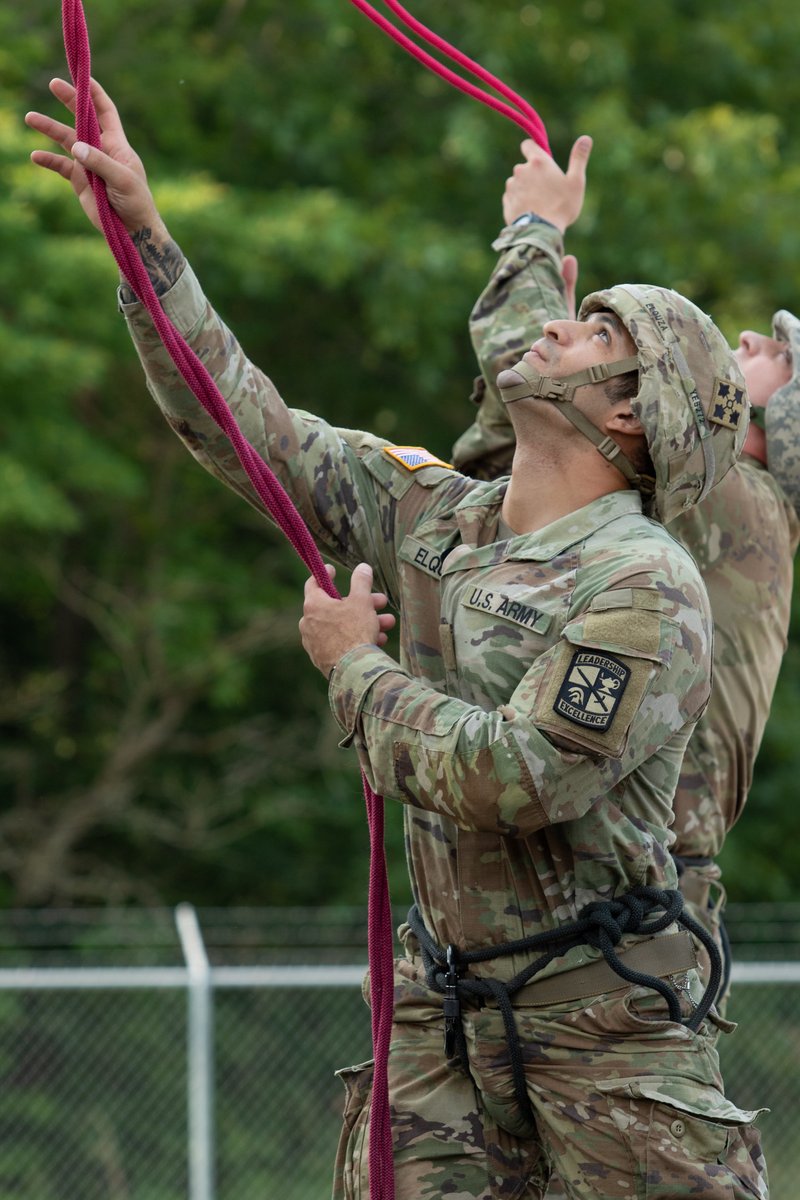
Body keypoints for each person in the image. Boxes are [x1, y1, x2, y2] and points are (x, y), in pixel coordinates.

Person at [27, 81, 769, 1199]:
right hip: (442, 1026)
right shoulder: (435, 513)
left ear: (628, 414)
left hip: (606, 1040)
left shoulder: (644, 587)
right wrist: (144, 241)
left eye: (596, 333)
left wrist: (353, 666)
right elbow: (243, 420)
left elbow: (516, 777)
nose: (558, 326)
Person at [454, 136, 800, 1009]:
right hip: (620, 893)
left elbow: (512, 387)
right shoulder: (738, 516)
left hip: (620, 913)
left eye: (781, 357)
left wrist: (533, 229)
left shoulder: (734, 499)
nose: (753, 339)